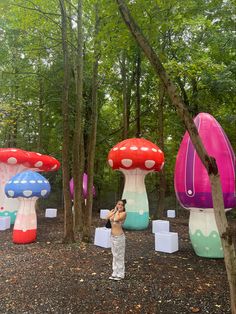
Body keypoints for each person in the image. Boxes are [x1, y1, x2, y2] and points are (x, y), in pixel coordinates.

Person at [106, 199, 127, 281]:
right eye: (118, 204)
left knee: (120, 255)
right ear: (116, 204)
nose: (120, 206)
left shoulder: (123, 213)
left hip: (119, 237)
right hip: (112, 236)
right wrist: (114, 210)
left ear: (124, 207)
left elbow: (116, 219)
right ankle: (114, 272)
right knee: (114, 254)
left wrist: (117, 211)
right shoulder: (114, 211)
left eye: (121, 205)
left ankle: (121, 274)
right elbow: (107, 217)